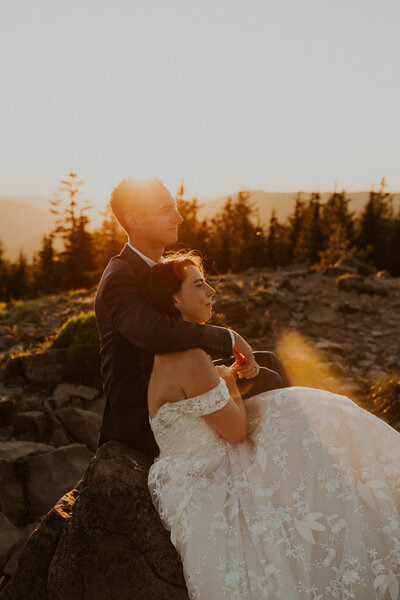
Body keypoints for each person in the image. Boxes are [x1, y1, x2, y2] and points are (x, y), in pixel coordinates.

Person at [141, 253, 400, 600]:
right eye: (199, 284)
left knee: (317, 412)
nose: (212, 291)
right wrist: (230, 386)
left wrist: (222, 380)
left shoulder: (176, 353)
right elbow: (235, 431)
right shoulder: (189, 357)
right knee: (318, 421)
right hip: (204, 469)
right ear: (174, 299)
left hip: (202, 455)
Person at [94, 176, 290, 460]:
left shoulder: (160, 268)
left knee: (267, 361)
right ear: (134, 220)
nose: (179, 217)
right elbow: (154, 333)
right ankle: (284, 464)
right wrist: (229, 338)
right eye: (166, 210)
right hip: (143, 411)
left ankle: (294, 455)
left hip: (178, 382)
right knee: (265, 380)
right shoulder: (120, 277)